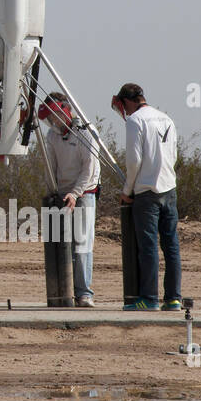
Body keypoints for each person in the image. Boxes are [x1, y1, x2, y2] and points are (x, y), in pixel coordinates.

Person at [112, 83, 181, 311]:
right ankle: (173, 299)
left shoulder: (135, 121)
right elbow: (174, 154)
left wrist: (127, 190)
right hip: (169, 188)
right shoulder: (166, 118)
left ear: (126, 101)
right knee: (171, 246)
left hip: (146, 192)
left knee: (148, 247)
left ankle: (149, 299)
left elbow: (134, 161)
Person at [38, 92, 100, 307]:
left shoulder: (86, 133)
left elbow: (88, 170)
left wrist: (75, 194)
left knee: (81, 244)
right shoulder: (52, 135)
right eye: (50, 117)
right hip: (61, 195)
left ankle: (84, 293)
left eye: (55, 115)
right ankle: (62, 292)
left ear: (65, 111)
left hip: (84, 195)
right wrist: (51, 193)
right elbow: (51, 166)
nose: (53, 121)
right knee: (59, 243)